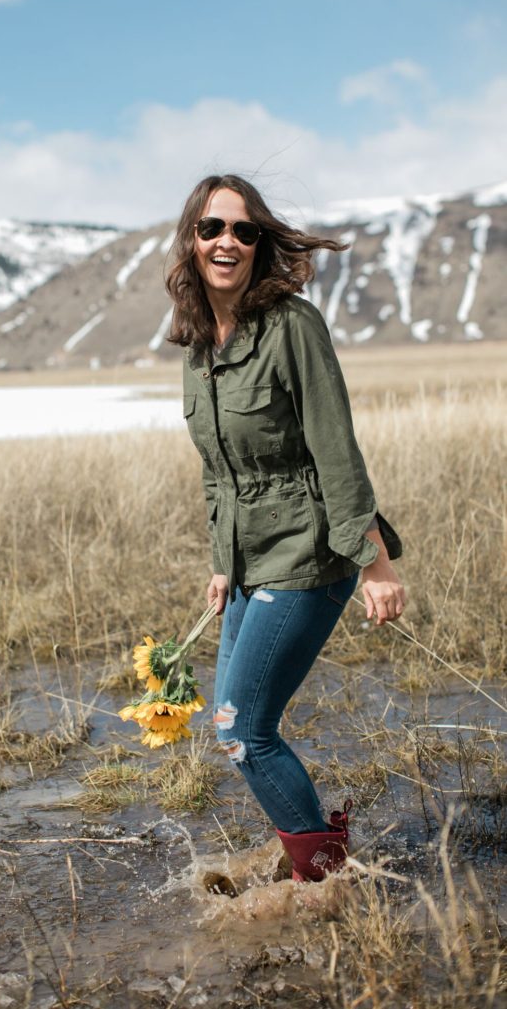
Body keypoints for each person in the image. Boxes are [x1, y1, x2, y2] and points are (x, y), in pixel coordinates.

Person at [165, 174, 405, 883]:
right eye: (213, 228)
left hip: (309, 552)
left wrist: (375, 562)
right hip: (249, 561)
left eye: (244, 230)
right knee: (228, 726)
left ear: (260, 242)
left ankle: (324, 879)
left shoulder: (292, 325)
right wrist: (220, 563)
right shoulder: (198, 345)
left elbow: (335, 446)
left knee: (245, 729)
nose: (227, 242)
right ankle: (318, 861)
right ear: (192, 240)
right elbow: (220, 470)